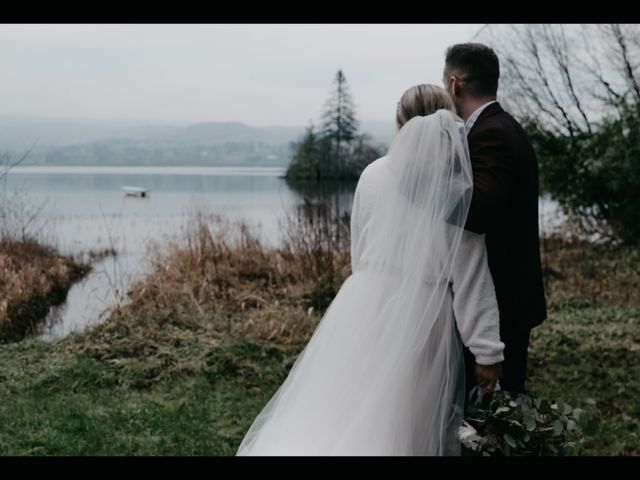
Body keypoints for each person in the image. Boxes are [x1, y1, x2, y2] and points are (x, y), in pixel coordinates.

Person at [236, 84, 504, 456]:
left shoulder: (373, 174)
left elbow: (359, 247)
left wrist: (362, 293)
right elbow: (472, 278)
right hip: (423, 313)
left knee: (355, 405)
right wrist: (488, 352)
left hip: (364, 299)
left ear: (399, 125)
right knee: (411, 416)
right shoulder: (457, 191)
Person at [443, 43, 547, 395]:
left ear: (455, 85)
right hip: (504, 297)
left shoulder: (492, 133)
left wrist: (421, 188)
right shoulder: (498, 127)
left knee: (493, 416)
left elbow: (480, 212)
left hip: (502, 300)